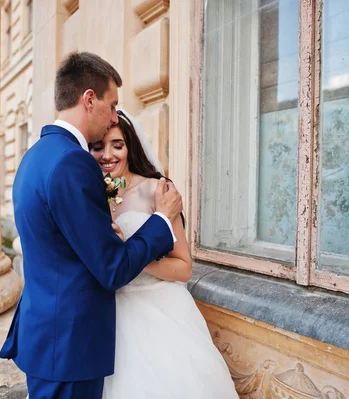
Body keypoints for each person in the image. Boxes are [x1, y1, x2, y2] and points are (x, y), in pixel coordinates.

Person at [0, 52, 183, 399]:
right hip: (69, 345)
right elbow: (111, 269)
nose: (114, 116)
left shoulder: (35, 156)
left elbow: (65, 244)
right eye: (112, 105)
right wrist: (160, 220)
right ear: (88, 99)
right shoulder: (73, 162)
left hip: (48, 337)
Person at [89, 110, 239, 399]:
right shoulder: (92, 194)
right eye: (99, 146)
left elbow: (184, 267)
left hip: (161, 313)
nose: (108, 154)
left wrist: (133, 256)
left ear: (130, 147)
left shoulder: (157, 190)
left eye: (117, 145)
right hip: (112, 316)